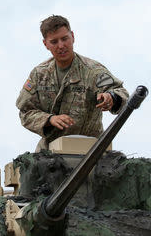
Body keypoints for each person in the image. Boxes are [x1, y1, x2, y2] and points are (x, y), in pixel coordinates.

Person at [16, 15, 129, 152]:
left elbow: (119, 91)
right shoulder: (39, 75)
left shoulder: (93, 71)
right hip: (49, 156)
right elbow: (26, 111)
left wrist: (112, 97)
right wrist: (49, 119)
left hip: (90, 153)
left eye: (65, 39)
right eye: (54, 42)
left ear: (73, 37)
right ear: (45, 44)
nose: (61, 46)